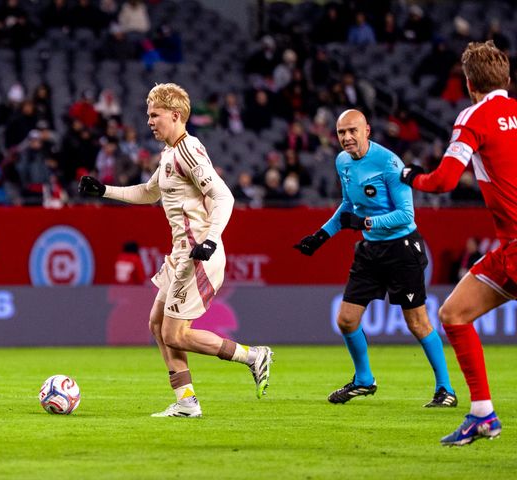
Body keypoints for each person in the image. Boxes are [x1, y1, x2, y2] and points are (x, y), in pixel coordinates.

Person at [79, 83, 272, 417]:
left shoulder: (189, 151)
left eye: (155, 115)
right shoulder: (169, 153)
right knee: (157, 325)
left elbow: (224, 196)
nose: (150, 121)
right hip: (181, 253)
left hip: (198, 253)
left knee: (175, 333)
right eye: (149, 115)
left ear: (176, 115)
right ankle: (186, 402)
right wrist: (104, 190)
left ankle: (253, 356)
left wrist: (211, 239)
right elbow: (149, 192)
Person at [294, 109, 457, 409]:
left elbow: (406, 215)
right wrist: (320, 236)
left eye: (352, 131)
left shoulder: (389, 163)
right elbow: (347, 205)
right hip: (370, 251)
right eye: (341, 132)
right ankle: (364, 379)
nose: (346, 138)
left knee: (417, 322)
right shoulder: (342, 161)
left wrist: (366, 223)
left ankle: (445, 389)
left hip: (402, 249)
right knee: (346, 320)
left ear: (367, 130)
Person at [400, 40, 511, 446]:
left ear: (468, 84)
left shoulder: (473, 117)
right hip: (508, 251)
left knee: (453, 316)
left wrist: (413, 177)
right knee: (454, 313)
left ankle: (483, 414)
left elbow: (445, 181)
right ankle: (483, 415)